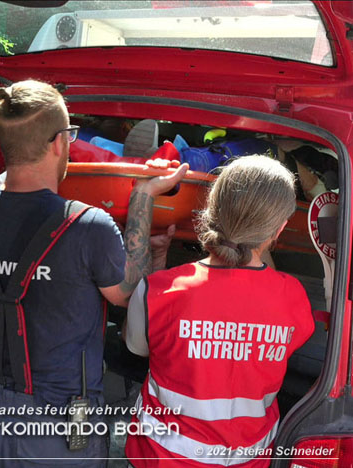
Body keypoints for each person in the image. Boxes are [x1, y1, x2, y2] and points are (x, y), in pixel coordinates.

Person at [0, 80, 187, 466]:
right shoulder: (87, 225)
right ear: (59, 142)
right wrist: (144, 197)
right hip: (59, 428)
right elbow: (127, 293)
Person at [123, 155, 316, 467]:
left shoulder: (158, 291)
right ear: (279, 229)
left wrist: (144, 199)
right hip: (250, 459)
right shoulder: (293, 297)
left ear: (209, 210)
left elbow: (139, 348)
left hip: (161, 458)